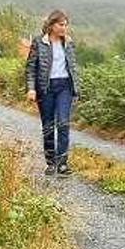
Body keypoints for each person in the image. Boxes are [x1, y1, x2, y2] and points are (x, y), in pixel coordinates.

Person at [25, 9, 81, 176]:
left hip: (65, 87)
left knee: (63, 123)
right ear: (51, 25)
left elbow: (73, 67)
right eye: (61, 24)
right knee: (48, 126)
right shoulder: (39, 42)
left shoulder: (69, 43)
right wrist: (31, 88)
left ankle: (63, 163)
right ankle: (51, 163)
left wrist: (76, 89)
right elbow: (30, 67)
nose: (64, 28)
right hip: (46, 88)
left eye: (66, 25)